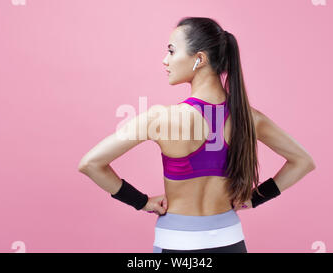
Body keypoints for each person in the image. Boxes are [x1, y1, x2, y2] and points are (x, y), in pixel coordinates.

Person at [78, 16, 316, 253]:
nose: (165, 60)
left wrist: (141, 202)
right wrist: (255, 198)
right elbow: (303, 162)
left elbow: (91, 163)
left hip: (176, 244)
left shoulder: (160, 119)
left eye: (171, 51)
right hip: (230, 241)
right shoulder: (249, 118)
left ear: (199, 59)